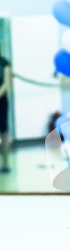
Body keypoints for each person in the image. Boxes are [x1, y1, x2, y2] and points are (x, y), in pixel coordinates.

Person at [0, 45, 11, 173]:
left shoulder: (4, 63)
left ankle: (6, 163)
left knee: (4, 132)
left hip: (2, 101)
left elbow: (6, 83)